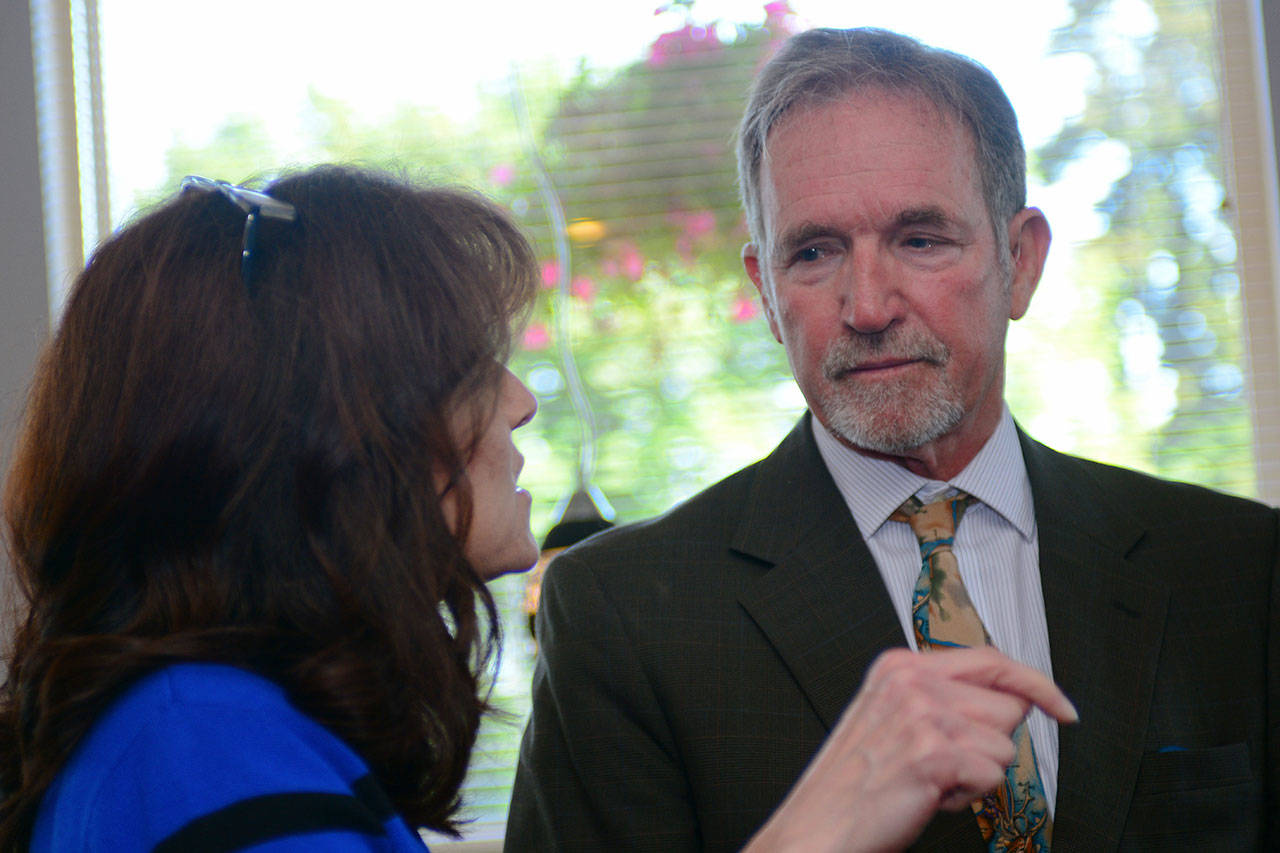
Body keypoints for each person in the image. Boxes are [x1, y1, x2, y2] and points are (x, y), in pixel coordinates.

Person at [507, 27, 1278, 852]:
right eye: (814, 251)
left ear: (1020, 261)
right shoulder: (621, 618)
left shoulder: (1236, 568)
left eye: (919, 239)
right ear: (766, 293)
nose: (868, 305)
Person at [0, 166, 543, 850]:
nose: (520, 402)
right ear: (326, 434)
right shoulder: (211, 749)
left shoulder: (207, 729)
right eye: (465, 368)